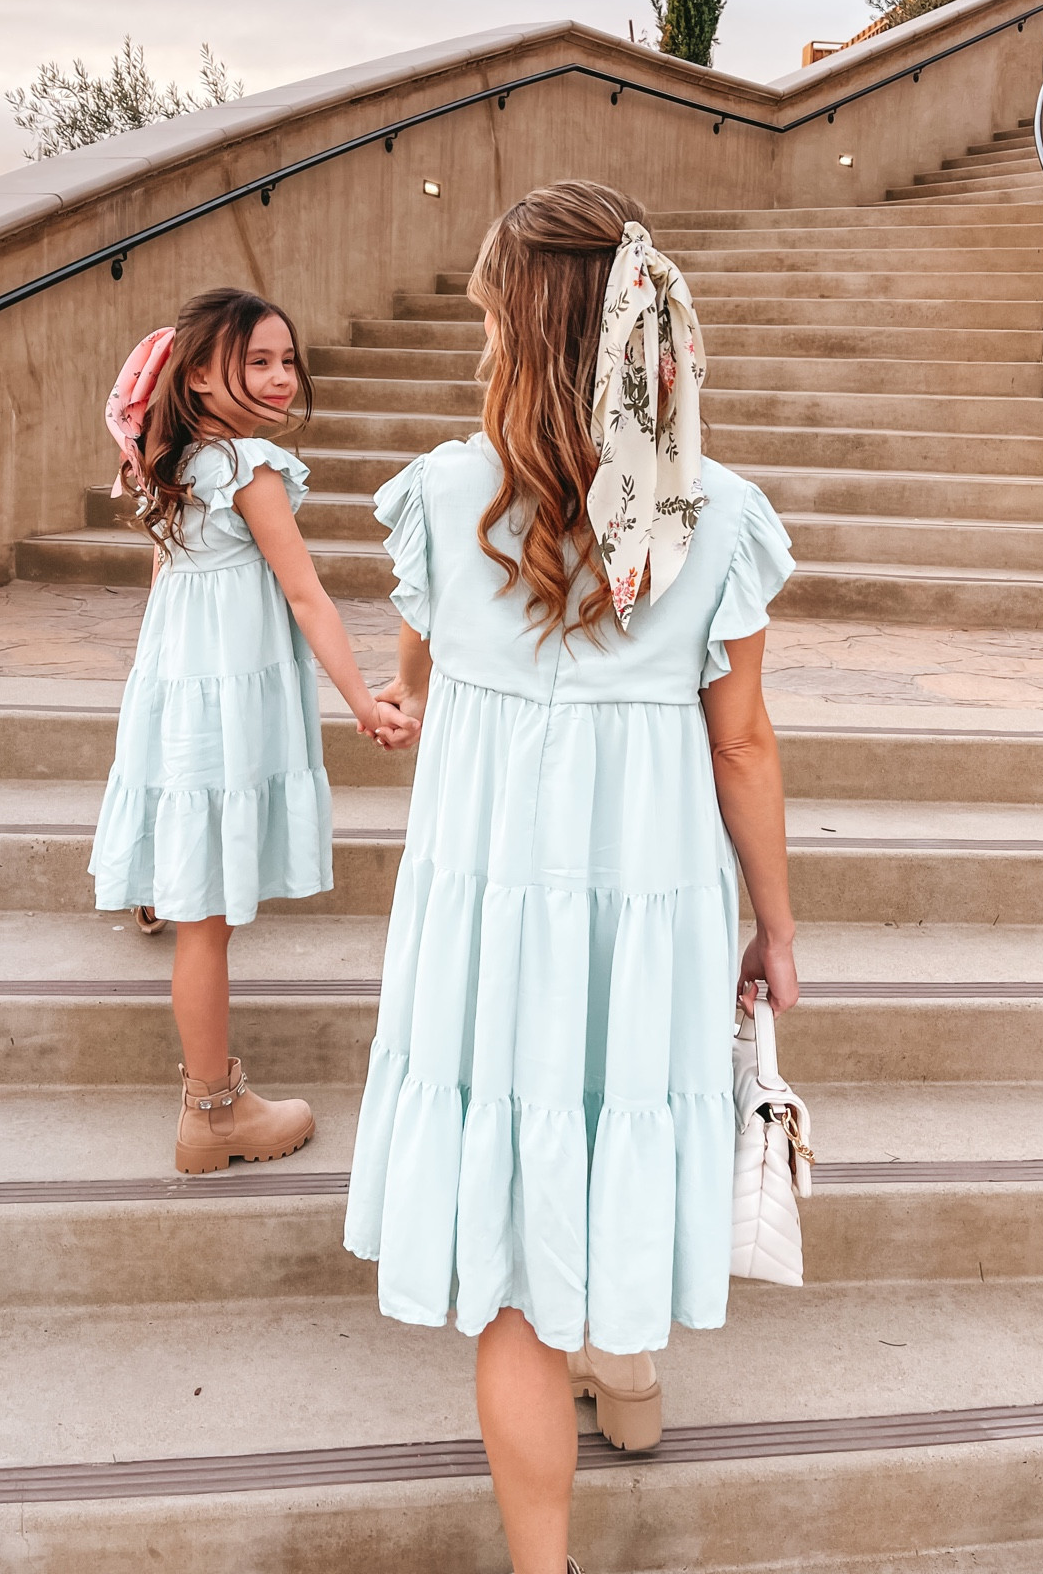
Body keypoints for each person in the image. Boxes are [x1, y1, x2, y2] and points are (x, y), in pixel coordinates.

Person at [343, 183, 800, 1574]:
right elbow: (744, 745)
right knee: (616, 1116)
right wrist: (775, 921)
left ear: (510, 327)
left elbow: (416, 681)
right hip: (648, 889)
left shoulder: (437, 493)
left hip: (489, 901)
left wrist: (426, 686)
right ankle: (636, 1380)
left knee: (516, 1244)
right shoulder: (715, 514)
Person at [90, 286, 417, 1173]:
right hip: (226, 699)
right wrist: (362, 698)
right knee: (206, 926)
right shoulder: (248, 469)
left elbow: (168, 584)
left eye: (286, 360)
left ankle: (211, 1091)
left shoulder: (169, 461)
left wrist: (155, 696)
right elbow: (305, 593)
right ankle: (214, 1111)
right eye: (256, 362)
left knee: (197, 898)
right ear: (197, 375)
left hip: (182, 688)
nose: (280, 378)